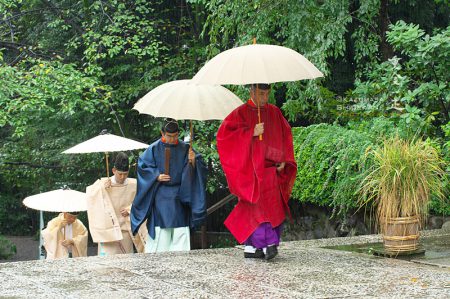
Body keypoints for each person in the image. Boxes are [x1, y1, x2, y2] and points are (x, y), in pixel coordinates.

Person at [216, 83, 297, 260]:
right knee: (257, 210)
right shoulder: (239, 113)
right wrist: (250, 132)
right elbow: (223, 138)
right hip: (250, 173)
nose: (265, 98)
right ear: (252, 92)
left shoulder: (275, 112)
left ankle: (255, 247)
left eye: (267, 94)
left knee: (273, 209)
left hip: (271, 171)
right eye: (261, 94)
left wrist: (283, 159)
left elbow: (285, 135)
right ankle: (266, 245)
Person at [130, 119, 207, 253]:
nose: (172, 139)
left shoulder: (186, 148)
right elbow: (143, 167)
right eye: (169, 136)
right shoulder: (153, 148)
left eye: (175, 136)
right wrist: (156, 176)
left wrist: (193, 162)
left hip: (181, 195)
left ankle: (180, 262)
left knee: (180, 231)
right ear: (162, 133)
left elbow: (200, 169)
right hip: (161, 195)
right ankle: (158, 262)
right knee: (162, 233)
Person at [86, 152, 147, 256]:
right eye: (120, 174)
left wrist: (130, 209)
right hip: (108, 231)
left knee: (126, 261)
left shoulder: (134, 184)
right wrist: (101, 189)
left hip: (126, 229)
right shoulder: (103, 184)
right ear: (113, 171)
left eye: (125, 174)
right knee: (108, 263)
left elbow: (143, 202)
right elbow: (90, 198)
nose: (123, 177)